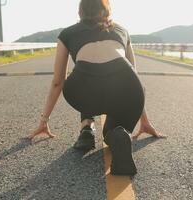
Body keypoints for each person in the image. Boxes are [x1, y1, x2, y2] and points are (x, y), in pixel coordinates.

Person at [28, 0, 165, 176]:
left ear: (80, 12)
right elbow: (135, 79)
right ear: (107, 10)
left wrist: (43, 121)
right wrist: (144, 120)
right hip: (126, 85)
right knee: (114, 130)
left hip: (84, 87)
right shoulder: (122, 30)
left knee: (87, 86)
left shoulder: (68, 33)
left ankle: (87, 127)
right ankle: (116, 135)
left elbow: (57, 82)